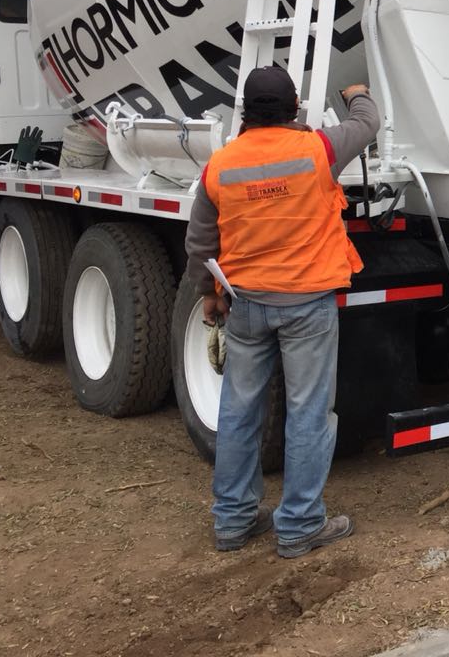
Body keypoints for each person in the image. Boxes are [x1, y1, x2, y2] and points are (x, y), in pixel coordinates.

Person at [186, 66, 380, 558]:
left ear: (245, 111)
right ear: (295, 107)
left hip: (247, 305)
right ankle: (298, 525)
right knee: (308, 414)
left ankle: (232, 521)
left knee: (238, 412)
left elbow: (201, 243)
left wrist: (210, 294)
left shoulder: (220, 167)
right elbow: (367, 123)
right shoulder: (318, 150)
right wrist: (356, 93)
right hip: (307, 306)